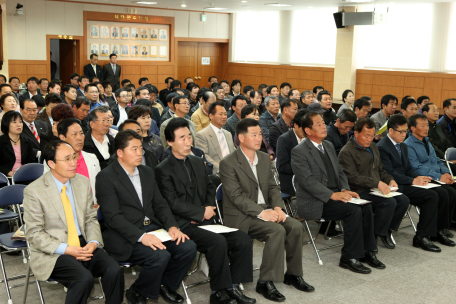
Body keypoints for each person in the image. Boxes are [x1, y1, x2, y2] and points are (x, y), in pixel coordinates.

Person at [156, 118, 255, 304]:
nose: (188, 142)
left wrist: (208, 209)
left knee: (242, 238)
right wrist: (199, 213)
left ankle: (233, 286)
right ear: (169, 142)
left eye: (189, 137)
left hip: (206, 219)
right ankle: (218, 292)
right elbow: (171, 202)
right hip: (183, 223)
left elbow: (210, 187)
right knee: (217, 242)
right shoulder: (162, 169)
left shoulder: (196, 160)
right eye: (181, 138)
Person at [96, 130, 197, 304]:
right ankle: (139, 292)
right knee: (160, 256)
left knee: (188, 247)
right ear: (120, 153)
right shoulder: (106, 177)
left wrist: (172, 227)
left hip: (153, 228)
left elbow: (160, 204)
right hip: (125, 235)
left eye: (140, 148)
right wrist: (142, 237)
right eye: (133, 149)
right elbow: (113, 217)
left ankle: (163, 285)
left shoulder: (146, 172)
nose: (139, 153)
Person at [220, 118, 314, 302]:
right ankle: (265, 281)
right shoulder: (228, 162)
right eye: (253, 135)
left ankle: (293, 274)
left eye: (260, 134)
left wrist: (278, 207)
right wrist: (263, 213)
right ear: (240, 137)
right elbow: (236, 196)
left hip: (266, 209)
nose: (258, 138)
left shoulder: (263, 158)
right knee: (276, 230)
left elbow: (273, 187)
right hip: (242, 214)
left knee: (295, 226)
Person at [24, 140, 124, 304]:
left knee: (114, 270)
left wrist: (93, 241)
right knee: (83, 279)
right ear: (51, 163)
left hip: (83, 243)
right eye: (67, 159)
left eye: (74, 157)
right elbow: (34, 233)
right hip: (53, 250)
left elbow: (90, 218)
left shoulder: (82, 182)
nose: (73, 163)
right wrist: (67, 249)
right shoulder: (34, 191)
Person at [292, 111, 383, 273]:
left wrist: (345, 189)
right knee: (353, 210)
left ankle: (367, 251)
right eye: (318, 124)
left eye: (323, 123)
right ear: (308, 130)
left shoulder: (327, 145)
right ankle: (348, 257)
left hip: (336, 195)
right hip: (317, 200)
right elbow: (307, 182)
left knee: (366, 206)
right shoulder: (299, 151)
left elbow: (340, 172)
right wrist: (333, 195)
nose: (323, 126)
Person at [378, 114, 454, 250]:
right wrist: (413, 180)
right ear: (390, 131)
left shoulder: (402, 146)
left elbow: (408, 168)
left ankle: (437, 231)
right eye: (400, 131)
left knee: (441, 192)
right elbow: (390, 173)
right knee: (431, 196)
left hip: (407, 182)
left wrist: (419, 179)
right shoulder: (382, 147)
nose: (404, 134)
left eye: (405, 131)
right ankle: (421, 237)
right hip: (395, 185)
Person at [338, 118, 410, 249]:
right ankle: (374, 235)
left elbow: (381, 169)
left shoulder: (373, 147)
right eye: (366, 135)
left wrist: (389, 180)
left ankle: (386, 229)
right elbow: (352, 178)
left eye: (372, 136)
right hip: (358, 191)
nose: (370, 139)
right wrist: (377, 183)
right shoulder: (347, 152)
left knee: (403, 200)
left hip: (375, 188)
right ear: (356, 134)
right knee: (388, 203)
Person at [405, 114, 456, 228]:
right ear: (413, 128)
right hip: (425, 178)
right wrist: (439, 177)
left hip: (437, 175)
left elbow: (437, 160)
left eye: (427, 125)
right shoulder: (408, 145)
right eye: (422, 126)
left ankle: (451, 221)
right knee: (448, 192)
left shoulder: (427, 141)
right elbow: (416, 168)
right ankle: (441, 227)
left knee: (454, 186)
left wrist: (446, 173)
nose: (426, 128)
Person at [43, 118, 101, 205]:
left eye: (81, 133)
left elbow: (99, 186)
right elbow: (49, 188)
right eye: (74, 134)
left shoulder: (92, 158)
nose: (79, 138)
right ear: (62, 137)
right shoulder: (53, 160)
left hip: (92, 208)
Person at [195, 101, 235, 174]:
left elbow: (234, 152)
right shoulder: (202, 135)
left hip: (233, 170)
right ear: (211, 116)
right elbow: (204, 156)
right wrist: (222, 169)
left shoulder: (228, 134)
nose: (224, 117)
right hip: (217, 173)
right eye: (220, 114)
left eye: (225, 114)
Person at [276, 109, 307, 196]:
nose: (306, 132)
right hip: (290, 179)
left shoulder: (309, 138)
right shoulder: (284, 139)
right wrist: (303, 170)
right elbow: (282, 166)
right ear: (296, 125)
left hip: (308, 178)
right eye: (303, 129)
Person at [0, 111, 36, 176]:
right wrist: (9, 172)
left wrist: (27, 166)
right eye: (14, 122)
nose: (18, 124)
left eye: (20, 122)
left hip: (24, 175)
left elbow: (31, 160)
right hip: (6, 177)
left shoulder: (27, 141)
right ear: (6, 124)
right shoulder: (1, 141)